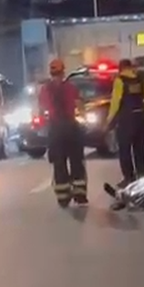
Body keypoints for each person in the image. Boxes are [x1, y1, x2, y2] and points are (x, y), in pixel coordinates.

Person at [38, 58, 88, 207]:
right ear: (63, 72)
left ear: (51, 72)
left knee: (59, 164)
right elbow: (80, 105)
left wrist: (45, 123)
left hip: (55, 130)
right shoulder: (71, 88)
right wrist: (82, 119)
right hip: (72, 128)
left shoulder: (45, 90)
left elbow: (41, 110)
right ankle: (80, 195)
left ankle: (63, 197)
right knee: (77, 162)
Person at [106, 58, 144, 188]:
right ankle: (142, 176)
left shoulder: (120, 81)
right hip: (140, 119)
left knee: (125, 150)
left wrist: (108, 121)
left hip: (126, 120)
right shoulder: (141, 80)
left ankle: (128, 177)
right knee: (139, 149)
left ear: (121, 68)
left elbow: (115, 102)